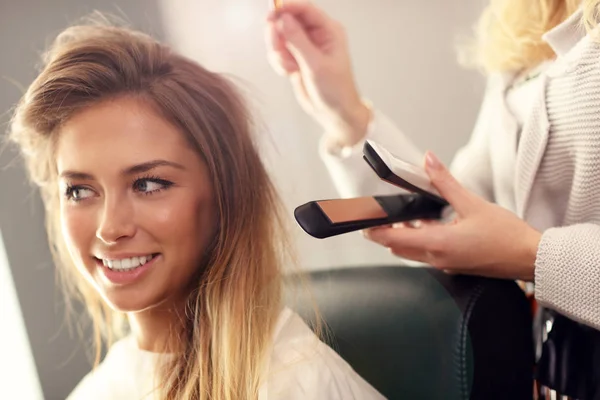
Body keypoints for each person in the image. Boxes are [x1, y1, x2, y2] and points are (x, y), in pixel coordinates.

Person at [7, 21, 385, 400]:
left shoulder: (296, 382)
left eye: (148, 184)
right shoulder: (97, 391)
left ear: (226, 196)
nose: (110, 228)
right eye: (79, 190)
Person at [265, 0, 600, 331]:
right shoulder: (524, 19)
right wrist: (346, 114)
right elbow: (458, 211)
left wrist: (532, 255)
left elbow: (505, 241)